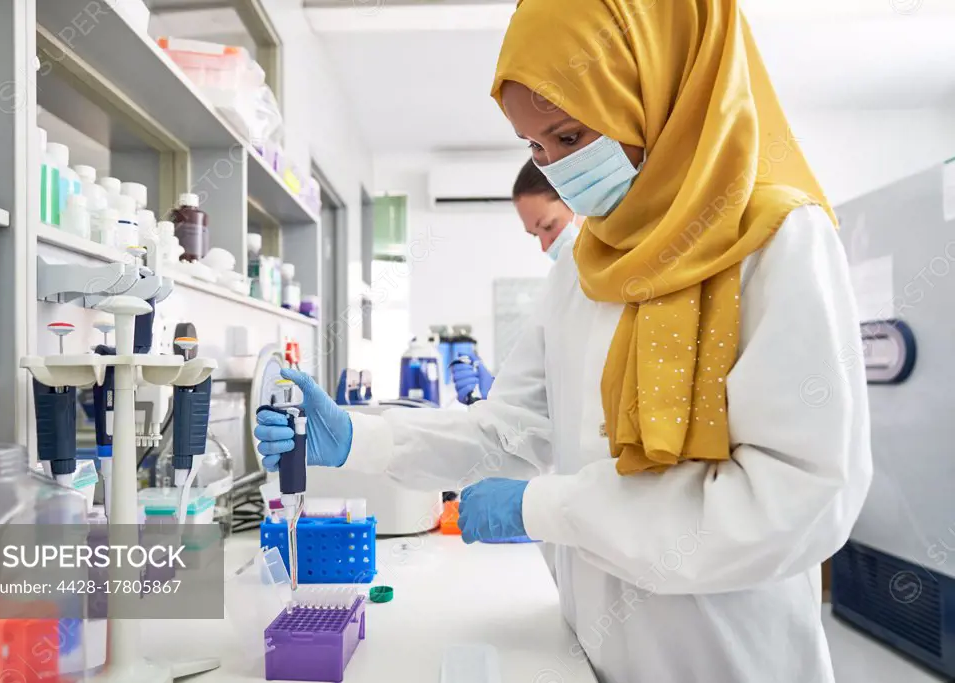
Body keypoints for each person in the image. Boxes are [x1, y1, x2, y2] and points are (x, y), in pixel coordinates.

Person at [256, 1, 872, 680]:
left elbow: (799, 499)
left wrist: (544, 505)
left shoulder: (777, 240)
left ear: (657, 85)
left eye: (571, 135)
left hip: (731, 661)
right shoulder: (585, 270)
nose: (557, 169)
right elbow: (507, 430)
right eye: (536, 149)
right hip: (593, 653)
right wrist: (361, 438)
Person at [452, 160, 584, 403]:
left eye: (548, 226)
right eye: (536, 236)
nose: (545, 246)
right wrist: (498, 395)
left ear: (582, 202)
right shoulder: (560, 288)